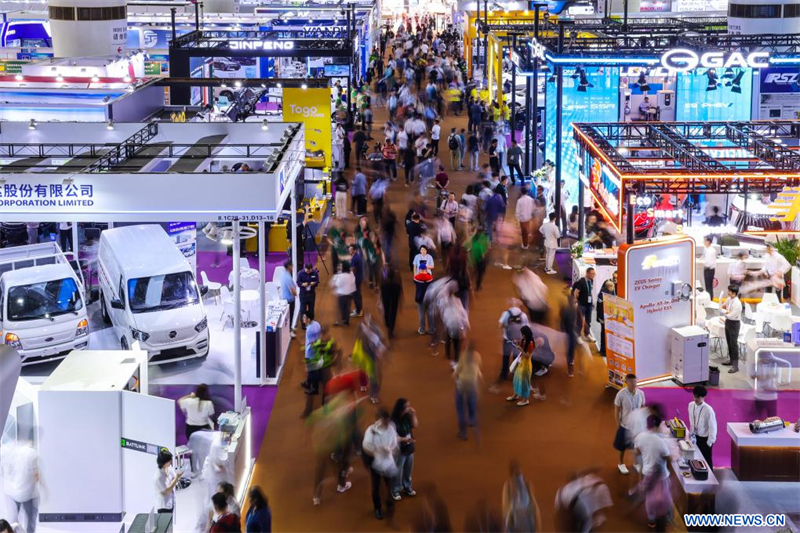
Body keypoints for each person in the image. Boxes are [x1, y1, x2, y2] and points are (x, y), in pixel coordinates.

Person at [633, 415, 673, 530]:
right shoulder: (660, 442)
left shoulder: (640, 437)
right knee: (665, 498)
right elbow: (668, 458)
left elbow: (637, 452)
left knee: (649, 498)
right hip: (661, 476)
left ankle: (651, 520)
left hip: (647, 473)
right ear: (657, 425)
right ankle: (666, 518)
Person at [362, 408, 399, 520]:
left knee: (390, 484)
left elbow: (394, 444)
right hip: (376, 464)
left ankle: (388, 501)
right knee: (376, 487)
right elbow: (366, 447)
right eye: (385, 421)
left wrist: (390, 449)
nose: (387, 424)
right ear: (379, 420)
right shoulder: (371, 431)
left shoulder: (391, 429)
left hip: (388, 463)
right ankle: (377, 508)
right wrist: (377, 452)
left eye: (388, 421)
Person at [1, 439, 39, 533]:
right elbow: (36, 476)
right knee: (29, 519)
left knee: (14, 518)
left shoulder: (7, 451)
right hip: (27, 494)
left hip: (12, 492)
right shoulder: (31, 453)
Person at [614, 374, 646, 475]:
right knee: (621, 446)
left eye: (635, 382)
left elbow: (642, 408)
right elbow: (617, 410)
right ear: (626, 382)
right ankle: (620, 464)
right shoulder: (621, 394)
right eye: (632, 382)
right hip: (625, 425)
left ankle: (636, 463)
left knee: (637, 446)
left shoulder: (641, 393)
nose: (634, 384)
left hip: (637, 426)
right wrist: (618, 424)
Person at [390, 399, 418, 501]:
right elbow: (392, 437)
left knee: (408, 469)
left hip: (409, 447)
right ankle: (395, 489)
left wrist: (413, 414)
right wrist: (404, 439)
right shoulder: (393, 421)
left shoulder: (407, 416)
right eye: (406, 406)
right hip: (399, 450)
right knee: (398, 470)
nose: (409, 408)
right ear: (401, 408)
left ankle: (407, 486)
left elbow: (415, 425)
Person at [502, 462, 541, 532]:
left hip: (522, 516)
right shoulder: (508, 485)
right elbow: (506, 504)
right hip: (521, 516)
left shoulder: (527, 483)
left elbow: (505, 505)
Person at [454, 343, 482, 441]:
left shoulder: (463, 355)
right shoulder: (477, 356)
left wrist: (454, 376)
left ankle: (463, 433)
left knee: (460, 408)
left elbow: (457, 370)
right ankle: (472, 420)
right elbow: (478, 369)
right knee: (472, 402)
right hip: (472, 384)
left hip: (462, 384)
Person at [688, 385, 717, 470]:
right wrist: (691, 433)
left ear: (704, 397)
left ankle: (711, 479)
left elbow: (713, 428)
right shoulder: (690, 405)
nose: (695, 399)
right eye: (694, 396)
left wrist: (709, 443)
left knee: (706, 461)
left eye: (698, 397)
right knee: (695, 458)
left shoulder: (708, 410)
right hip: (694, 436)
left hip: (705, 439)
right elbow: (692, 421)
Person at [507, 326, 534, 406]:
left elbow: (527, 356)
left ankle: (526, 400)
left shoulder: (531, 343)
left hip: (526, 366)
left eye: (522, 334)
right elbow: (522, 347)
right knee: (516, 379)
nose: (521, 335)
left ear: (525, 334)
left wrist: (520, 349)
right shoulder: (524, 340)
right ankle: (515, 395)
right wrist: (517, 343)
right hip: (521, 363)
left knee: (525, 383)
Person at [720, 284, 742, 374]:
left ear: (734, 293)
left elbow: (731, 315)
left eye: (729, 291)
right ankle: (731, 360)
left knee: (734, 345)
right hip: (728, 322)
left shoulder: (737, 304)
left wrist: (725, 312)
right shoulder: (729, 299)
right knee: (729, 342)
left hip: (734, 324)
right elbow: (723, 306)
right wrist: (726, 311)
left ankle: (735, 366)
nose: (728, 292)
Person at [571, 268, 596, 343]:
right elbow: (576, 292)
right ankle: (578, 336)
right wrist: (575, 301)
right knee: (580, 321)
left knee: (588, 321)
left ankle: (587, 334)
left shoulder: (591, 280)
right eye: (592, 274)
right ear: (587, 273)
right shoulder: (581, 281)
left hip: (589, 304)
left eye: (594, 274)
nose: (593, 275)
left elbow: (590, 291)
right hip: (582, 304)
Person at [380, 264, 403, 338]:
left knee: (386, 311)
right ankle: (391, 329)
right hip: (394, 301)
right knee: (393, 313)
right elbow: (400, 293)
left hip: (385, 300)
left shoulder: (384, 283)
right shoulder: (397, 284)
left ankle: (387, 324)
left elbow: (381, 292)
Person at [331, 262, 356, 326]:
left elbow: (338, 284)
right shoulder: (351, 274)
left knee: (340, 308)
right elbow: (353, 281)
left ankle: (338, 321)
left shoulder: (341, 276)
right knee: (347, 308)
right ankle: (346, 321)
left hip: (342, 294)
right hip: (349, 294)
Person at [596, 280, 616, 357]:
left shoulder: (606, 293)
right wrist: (602, 319)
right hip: (604, 319)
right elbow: (600, 308)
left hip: (607, 318)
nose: (614, 288)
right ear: (609, 287)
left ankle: (605, 350)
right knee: (604, 335)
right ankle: (603, 350)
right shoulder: (603, 295)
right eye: (613, 287)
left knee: (606, 334)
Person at [280, 260, 298, 337]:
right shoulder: (287, 277)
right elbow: (292, 290)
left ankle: (290, 328)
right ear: (289, 266)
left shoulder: (284, 275)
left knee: (289, 316)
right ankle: (289, 332)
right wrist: (296, 294)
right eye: (292, 266)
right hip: (289, 300)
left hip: (285, 298)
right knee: (290, 316)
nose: (293, 267)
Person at [349, 244, 365, 318]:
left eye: (351, 249)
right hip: (358, 278)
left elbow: (353, 270)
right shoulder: (357, 256)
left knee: (356, 296)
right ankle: (358, 309)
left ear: (354, 250)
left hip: (356, 280)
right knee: (357, 294)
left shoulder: (355, 258)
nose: (349, 250)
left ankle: (359, 311)